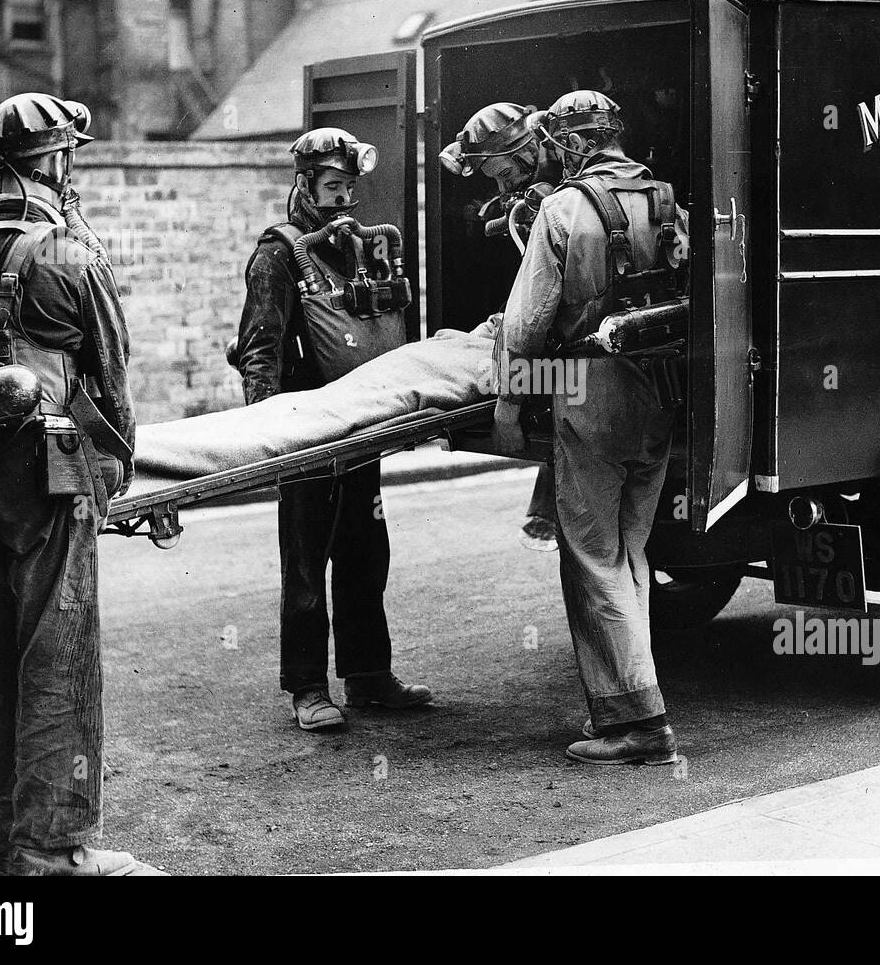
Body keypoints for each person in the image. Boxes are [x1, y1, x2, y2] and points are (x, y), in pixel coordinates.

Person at [0, 92, 159, 875]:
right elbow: (112, 389)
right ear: (52, 162)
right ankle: (52, 847)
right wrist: (117, 478)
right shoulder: (68, 255)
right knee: (59, 655)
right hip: (48, 472)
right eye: (67, 157)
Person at [492, 90, 688, 766]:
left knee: (592, 555)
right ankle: (625, 697)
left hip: (589, 394)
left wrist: (511, 408)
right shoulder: (665, 199)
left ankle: (641, 721)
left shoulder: (562, 208)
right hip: (659, 393)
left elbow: (523, 326)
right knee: (632, 553)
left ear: (573, 144)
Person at [236, 126, 431, 732]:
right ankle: (307, 687)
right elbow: (259, 348)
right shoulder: (278, 254)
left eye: (350, 187)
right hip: (305, 428)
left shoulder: (354, 248)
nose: (344, 199)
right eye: (332, 186)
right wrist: (270, 428)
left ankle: (369, 675)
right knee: (305, 559)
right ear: (304, 186)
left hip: (358, 427)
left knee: (366, 549)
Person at [441, 101, 563, 551]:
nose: (500, 182)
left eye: (503, 171)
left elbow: (532, 318)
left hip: (572, 313)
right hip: (547, 302)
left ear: (526, 148)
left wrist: (509, 406)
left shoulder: (567, 167)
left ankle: (546, 509)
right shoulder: (528, 163)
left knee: (566, 388)